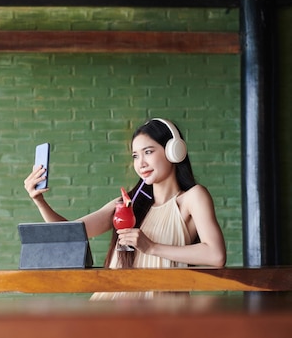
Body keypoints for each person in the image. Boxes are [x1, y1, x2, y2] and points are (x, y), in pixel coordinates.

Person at [23, 118, 226, 299]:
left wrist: (152, 247)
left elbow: (215, 255)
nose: (141, 163)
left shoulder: (193, 198)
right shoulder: (126, 204)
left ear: (174, 151)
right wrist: (40, 201)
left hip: (160, 315)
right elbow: (67, 235)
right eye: (135, 156)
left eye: (148, 152)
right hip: (111, 309)